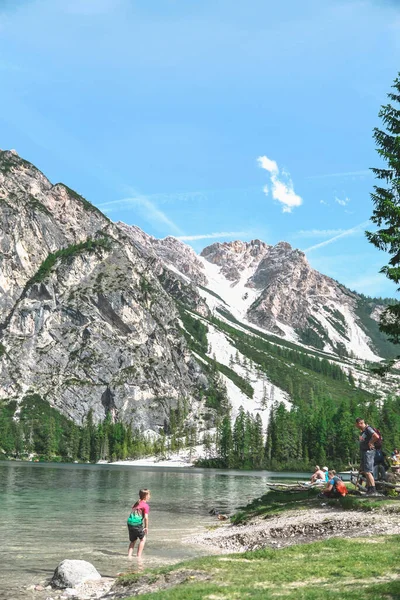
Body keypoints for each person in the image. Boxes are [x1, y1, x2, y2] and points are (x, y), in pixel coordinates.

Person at [355, 418, 379, 495]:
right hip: (364, 452)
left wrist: (370, 442)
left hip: (368, 452)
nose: (356, 426)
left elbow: (376, 436)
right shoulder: (363, 431)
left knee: (368, 471)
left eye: (357, 424)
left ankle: (373, 489)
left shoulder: (368, 429)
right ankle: (369, 489)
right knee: (366, 471)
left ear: (360, 423)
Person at [127, 488, 151, 559]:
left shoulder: (136, 503)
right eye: (149, 495)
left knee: (133, 540)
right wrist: (146, 527)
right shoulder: (145, 506)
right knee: (143, 539)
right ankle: (139, 556)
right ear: (146, 496)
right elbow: (146, 518)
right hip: (137, 524)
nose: (150, 496)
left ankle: (129, 556)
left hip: (130, 523)